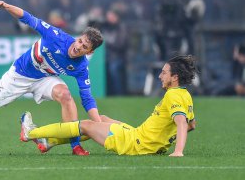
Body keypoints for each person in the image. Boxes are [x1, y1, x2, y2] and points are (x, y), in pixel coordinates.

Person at [0, 0, 104, 157]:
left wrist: (99, 124)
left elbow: (87, 98)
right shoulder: (56, 36)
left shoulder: (81, 67)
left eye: (84, 47)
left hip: (45, 78)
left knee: (66, 96)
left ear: (89, 52)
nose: (78, 46)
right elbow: (28, 18)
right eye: (80, 41)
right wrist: (6, 6)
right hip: (19, 75)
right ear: (78, 36)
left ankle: (75, 146)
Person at [21, 55, 197, 157]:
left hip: (136, 144)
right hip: (140, 137)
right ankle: (49, 142)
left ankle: (31, 133)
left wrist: (178, 151)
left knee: (87, 125)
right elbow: (191, 125)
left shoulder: (173, 95)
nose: (160, 76)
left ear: (175, 77)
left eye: (164, 72)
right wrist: (163, 141)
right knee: (101, 119)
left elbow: (181, 123)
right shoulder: (184, 94)